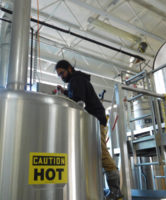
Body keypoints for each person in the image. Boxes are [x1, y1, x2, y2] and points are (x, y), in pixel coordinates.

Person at [55, 60, 123, 200]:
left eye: (62, 72)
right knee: (93, 155)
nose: (61, 76)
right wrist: (64, 92)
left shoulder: (76, 80)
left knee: (103, 154)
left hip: (96, 120)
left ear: (69, 68)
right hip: (92, 120)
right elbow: (76, 96)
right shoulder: (76, 81)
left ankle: (117, 193)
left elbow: (79, 102)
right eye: (59, 75)